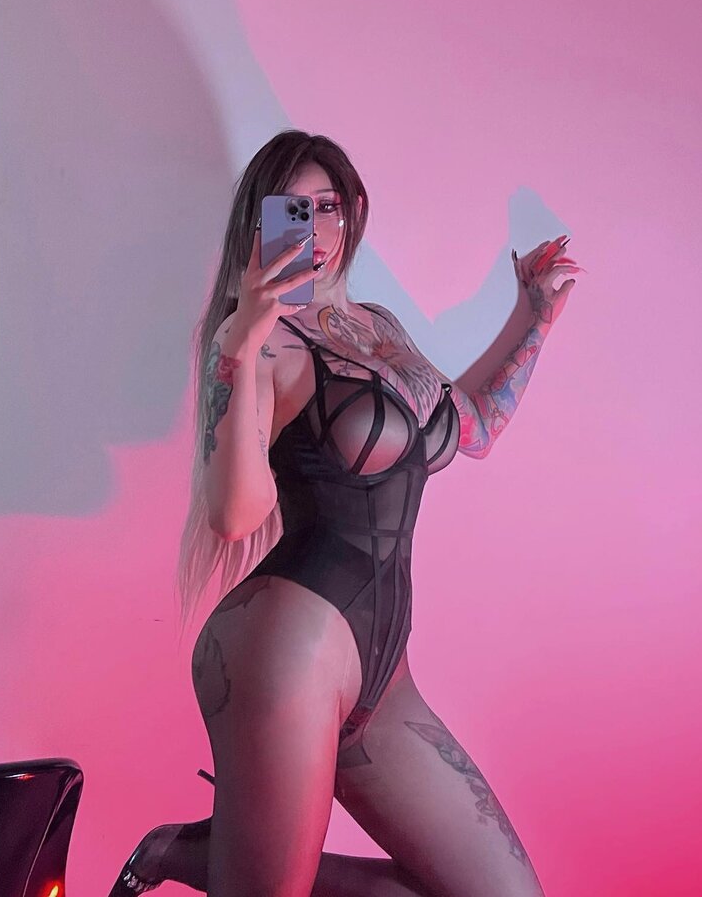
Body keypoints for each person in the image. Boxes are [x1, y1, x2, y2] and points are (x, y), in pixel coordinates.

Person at [108, 130, 580, 897]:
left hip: (384, 674)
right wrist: (240, 344)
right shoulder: (260, 343)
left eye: (327, 206)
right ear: (262, 224)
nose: (316, 229)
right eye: (294, 210)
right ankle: (211, 858)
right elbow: (236, 515)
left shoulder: (379, 327)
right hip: (287, 647)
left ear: (354, 209)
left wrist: (534, 316)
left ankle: (204, 854)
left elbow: (471, 429)